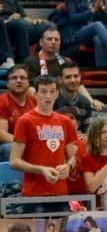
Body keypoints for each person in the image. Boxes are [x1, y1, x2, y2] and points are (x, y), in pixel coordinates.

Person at [10, 75, 78, 204]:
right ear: (35, 94)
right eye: (43, 91)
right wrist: (42, 170)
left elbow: (72, 157)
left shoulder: (65, 121)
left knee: (60, 224)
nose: (48, 96)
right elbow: (14, 161)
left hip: (60, 192)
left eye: (52, 91)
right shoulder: (25, 121)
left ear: (57, 94)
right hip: (34, 193)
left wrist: (68, 166)